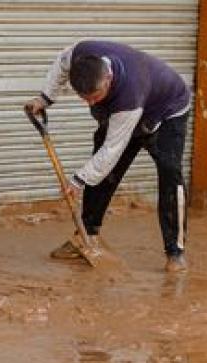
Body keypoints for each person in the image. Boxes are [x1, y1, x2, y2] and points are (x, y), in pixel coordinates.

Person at [25, 40, 191, 272]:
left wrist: (78, 180)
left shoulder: (129, 94)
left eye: (95, 96)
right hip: (125, 111)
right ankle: (86, 236)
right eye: (85, 99)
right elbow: (61, 65)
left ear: (108, 79)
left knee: (170, 174)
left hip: (166, 110)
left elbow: (112, 149)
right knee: (103, 173)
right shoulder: (79, 54)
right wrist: (45, 98)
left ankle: (175, 252)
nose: (91, 104)